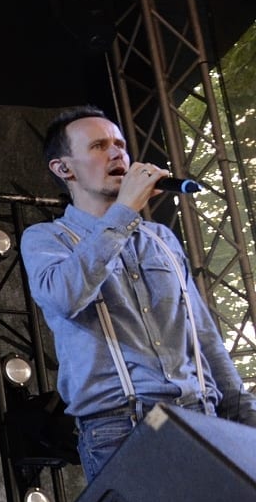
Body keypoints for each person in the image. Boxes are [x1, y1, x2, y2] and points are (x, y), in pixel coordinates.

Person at [23, 106, 256, 479]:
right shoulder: (47, 239)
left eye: (120, 144)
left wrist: (246, 418)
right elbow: (64, 297)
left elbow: (204, 337)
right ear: (64, 168)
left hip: (200, 416)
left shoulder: (161, 239)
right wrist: (124, 210)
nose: (117, 153)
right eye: (99, 146)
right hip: (119, 429)